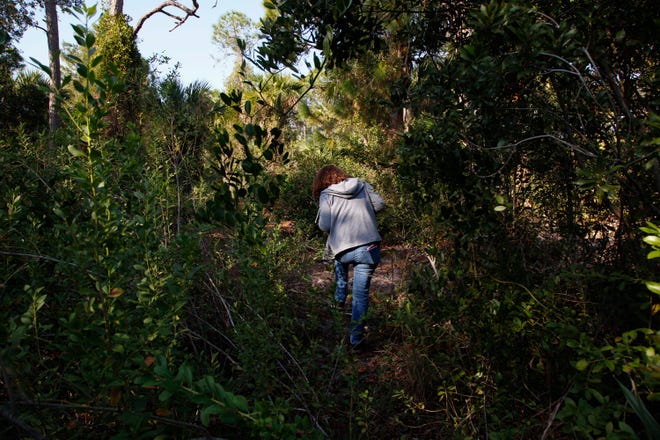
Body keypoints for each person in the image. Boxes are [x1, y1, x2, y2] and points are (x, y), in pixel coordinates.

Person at [313, 165, 385, 349]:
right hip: (368, 247)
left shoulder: (326, 194)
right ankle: (356, 340)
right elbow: (380, 205)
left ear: (322, 181)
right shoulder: (362, 185)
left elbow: (324, 226)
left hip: (343, 249)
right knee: (361, 295)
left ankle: (339, 296)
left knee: (337, 255)